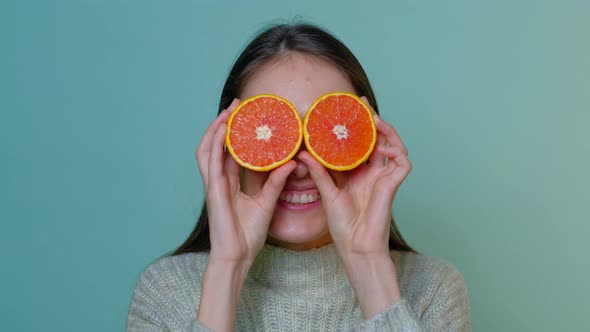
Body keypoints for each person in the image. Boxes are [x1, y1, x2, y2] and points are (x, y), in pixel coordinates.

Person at [126, 23, 471, 332]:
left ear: (367, 145)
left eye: (324, 131)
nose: (301, 165)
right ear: (230, 147)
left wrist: (368, 262)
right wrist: (227, 269)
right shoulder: (167, 291)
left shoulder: (432, 288)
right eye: (274, 131)